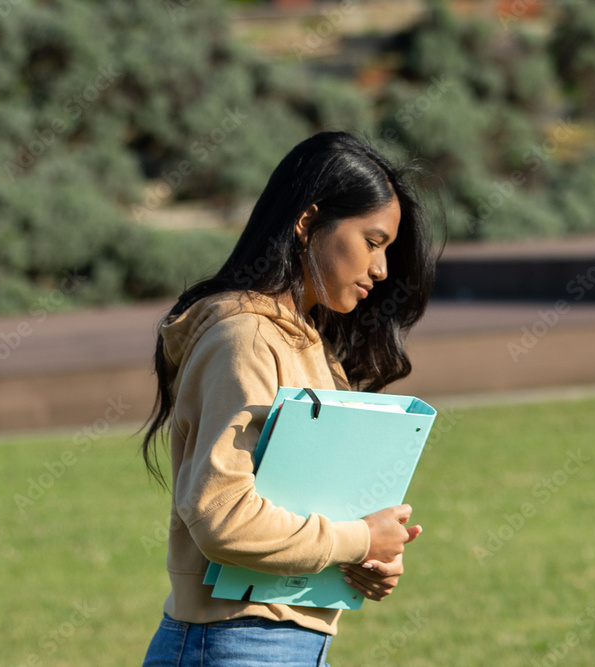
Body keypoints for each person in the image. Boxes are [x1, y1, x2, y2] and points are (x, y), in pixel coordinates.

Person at [138, 131, 442, 666]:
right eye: (373, 242)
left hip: (285, 646)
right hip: (233, 645)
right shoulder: (246, 339)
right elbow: (223, 518)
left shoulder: (311, 345)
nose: (382, 269)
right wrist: (355, 539)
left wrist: (365, 557)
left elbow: (303, 510)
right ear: (308, 222)